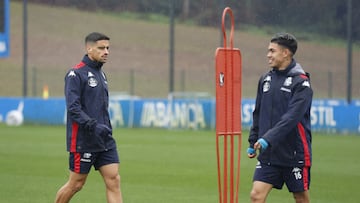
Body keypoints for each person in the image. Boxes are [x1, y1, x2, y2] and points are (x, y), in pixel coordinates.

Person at [55, 32, 123, 203]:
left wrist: (105, 127)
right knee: (76, 184)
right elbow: (73, 109)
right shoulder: (75, 74)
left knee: (114, 180)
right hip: (83, 139)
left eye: (108, 48)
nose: (106, 51)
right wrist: (94, 126)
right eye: (101, 48)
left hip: (104, 139)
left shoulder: (101, 74)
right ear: (89, 48)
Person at [247, 32, 313, 203]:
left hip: (294, 153)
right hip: (269, 152)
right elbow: (258, 112)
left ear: (286, 53)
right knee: (256, 195)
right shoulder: (265, 79)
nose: (268, 55)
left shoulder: (301, 83)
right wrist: (253, 140)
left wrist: (266, 139)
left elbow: (291, 118)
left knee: (300, 198)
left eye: (272, 51)